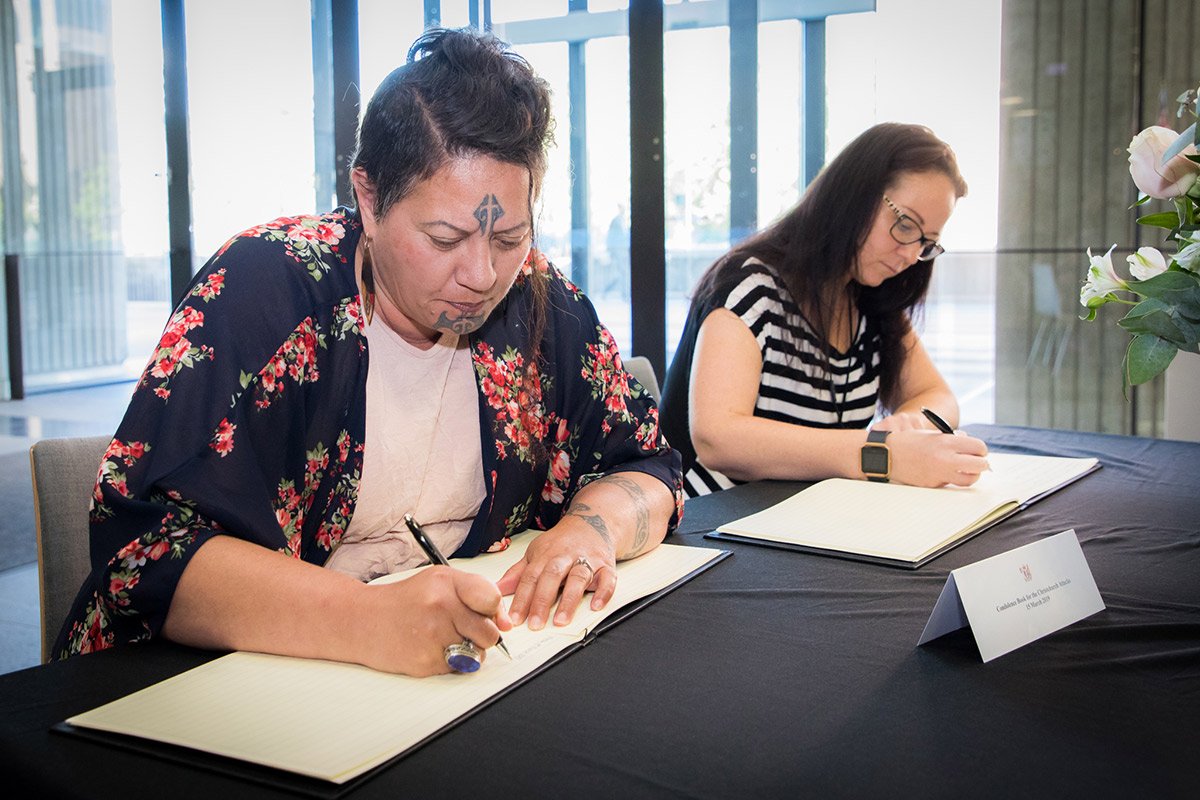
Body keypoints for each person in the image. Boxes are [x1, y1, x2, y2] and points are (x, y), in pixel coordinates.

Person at [55, 28, 682, 676]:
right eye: (445, 237)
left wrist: (591, 531)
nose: (482, 274)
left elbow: (648, 466)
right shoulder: (264, 294)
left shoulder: (543, 310)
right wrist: (371, 620)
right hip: (192, 688)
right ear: (370, 199)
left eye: (509, 238)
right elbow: (144, 549)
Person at [659, 122, 988, 497]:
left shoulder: (869, 299)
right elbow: (718, 439)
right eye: (905, 225)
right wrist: (881, 453)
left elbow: (938, 395)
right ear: (855, 196)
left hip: (810, 517)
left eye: (927, 242)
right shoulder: (750, 286)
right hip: (713, 522)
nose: (912, 254)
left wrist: (911, 424)